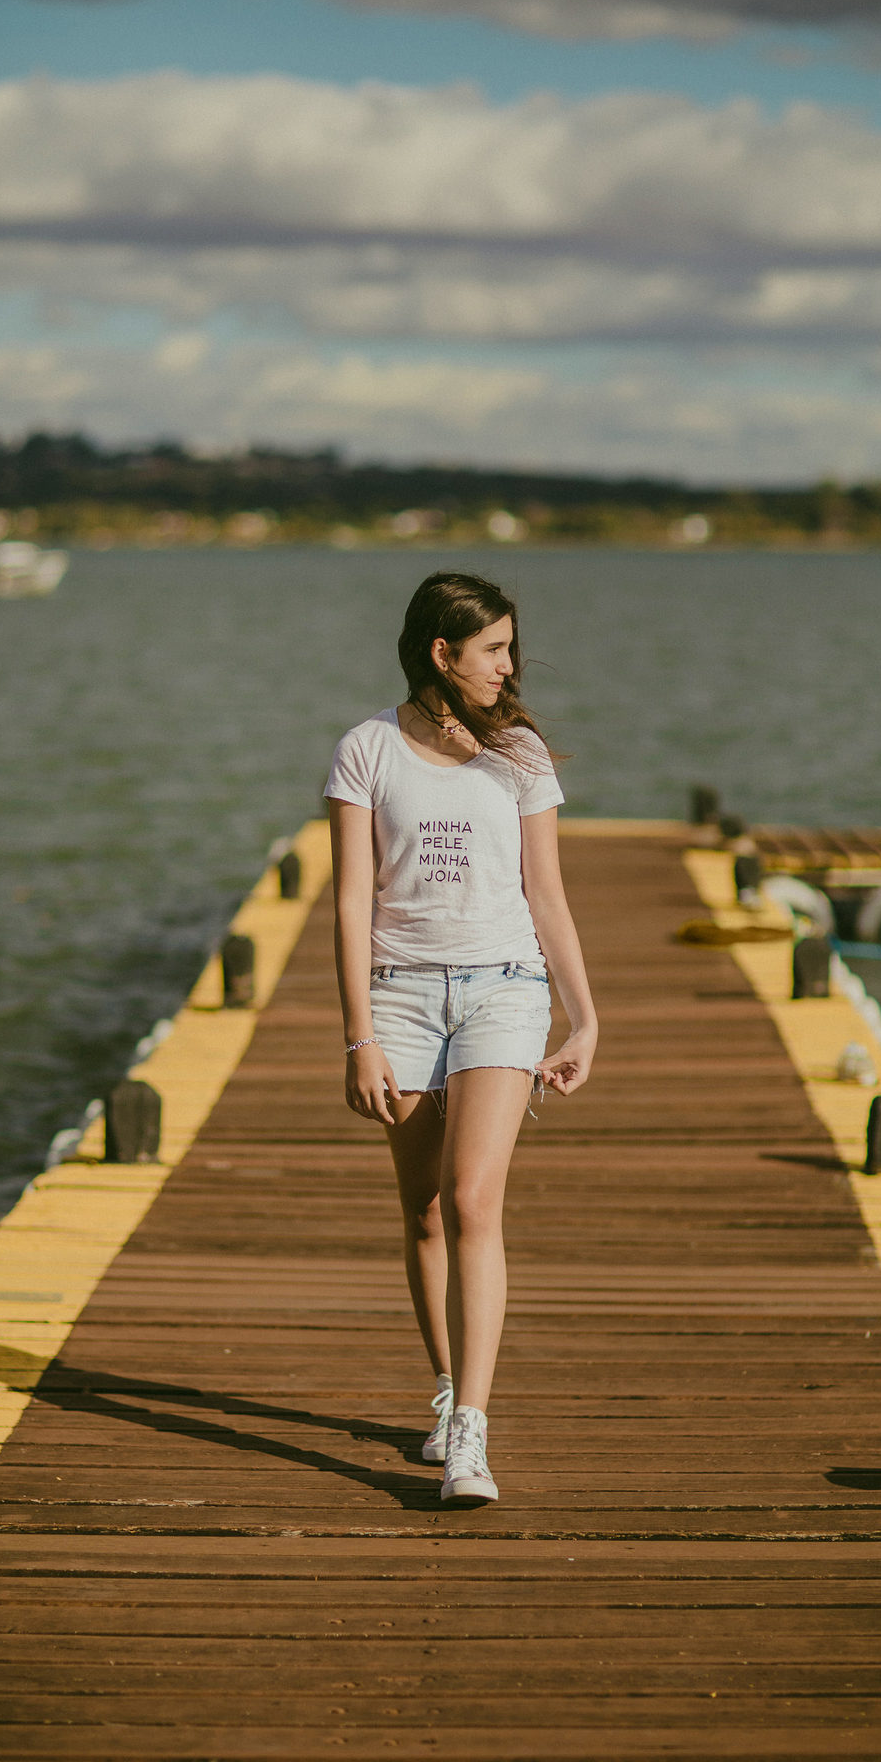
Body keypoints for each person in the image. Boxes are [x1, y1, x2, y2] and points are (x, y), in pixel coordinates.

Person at [324, 570, 597, 1507]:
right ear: (442, 653)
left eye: (510, 648)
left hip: (504, 992)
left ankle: (472, 1433)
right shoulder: (366, 750)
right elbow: (353, 898)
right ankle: (446, 1390)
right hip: (398, 997)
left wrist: (585, 1015)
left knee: (472, 1196)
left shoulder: (517, 754)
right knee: (427, 1211)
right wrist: (358, 1034)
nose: (508, 666)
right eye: (492, 650)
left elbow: (547, 895)